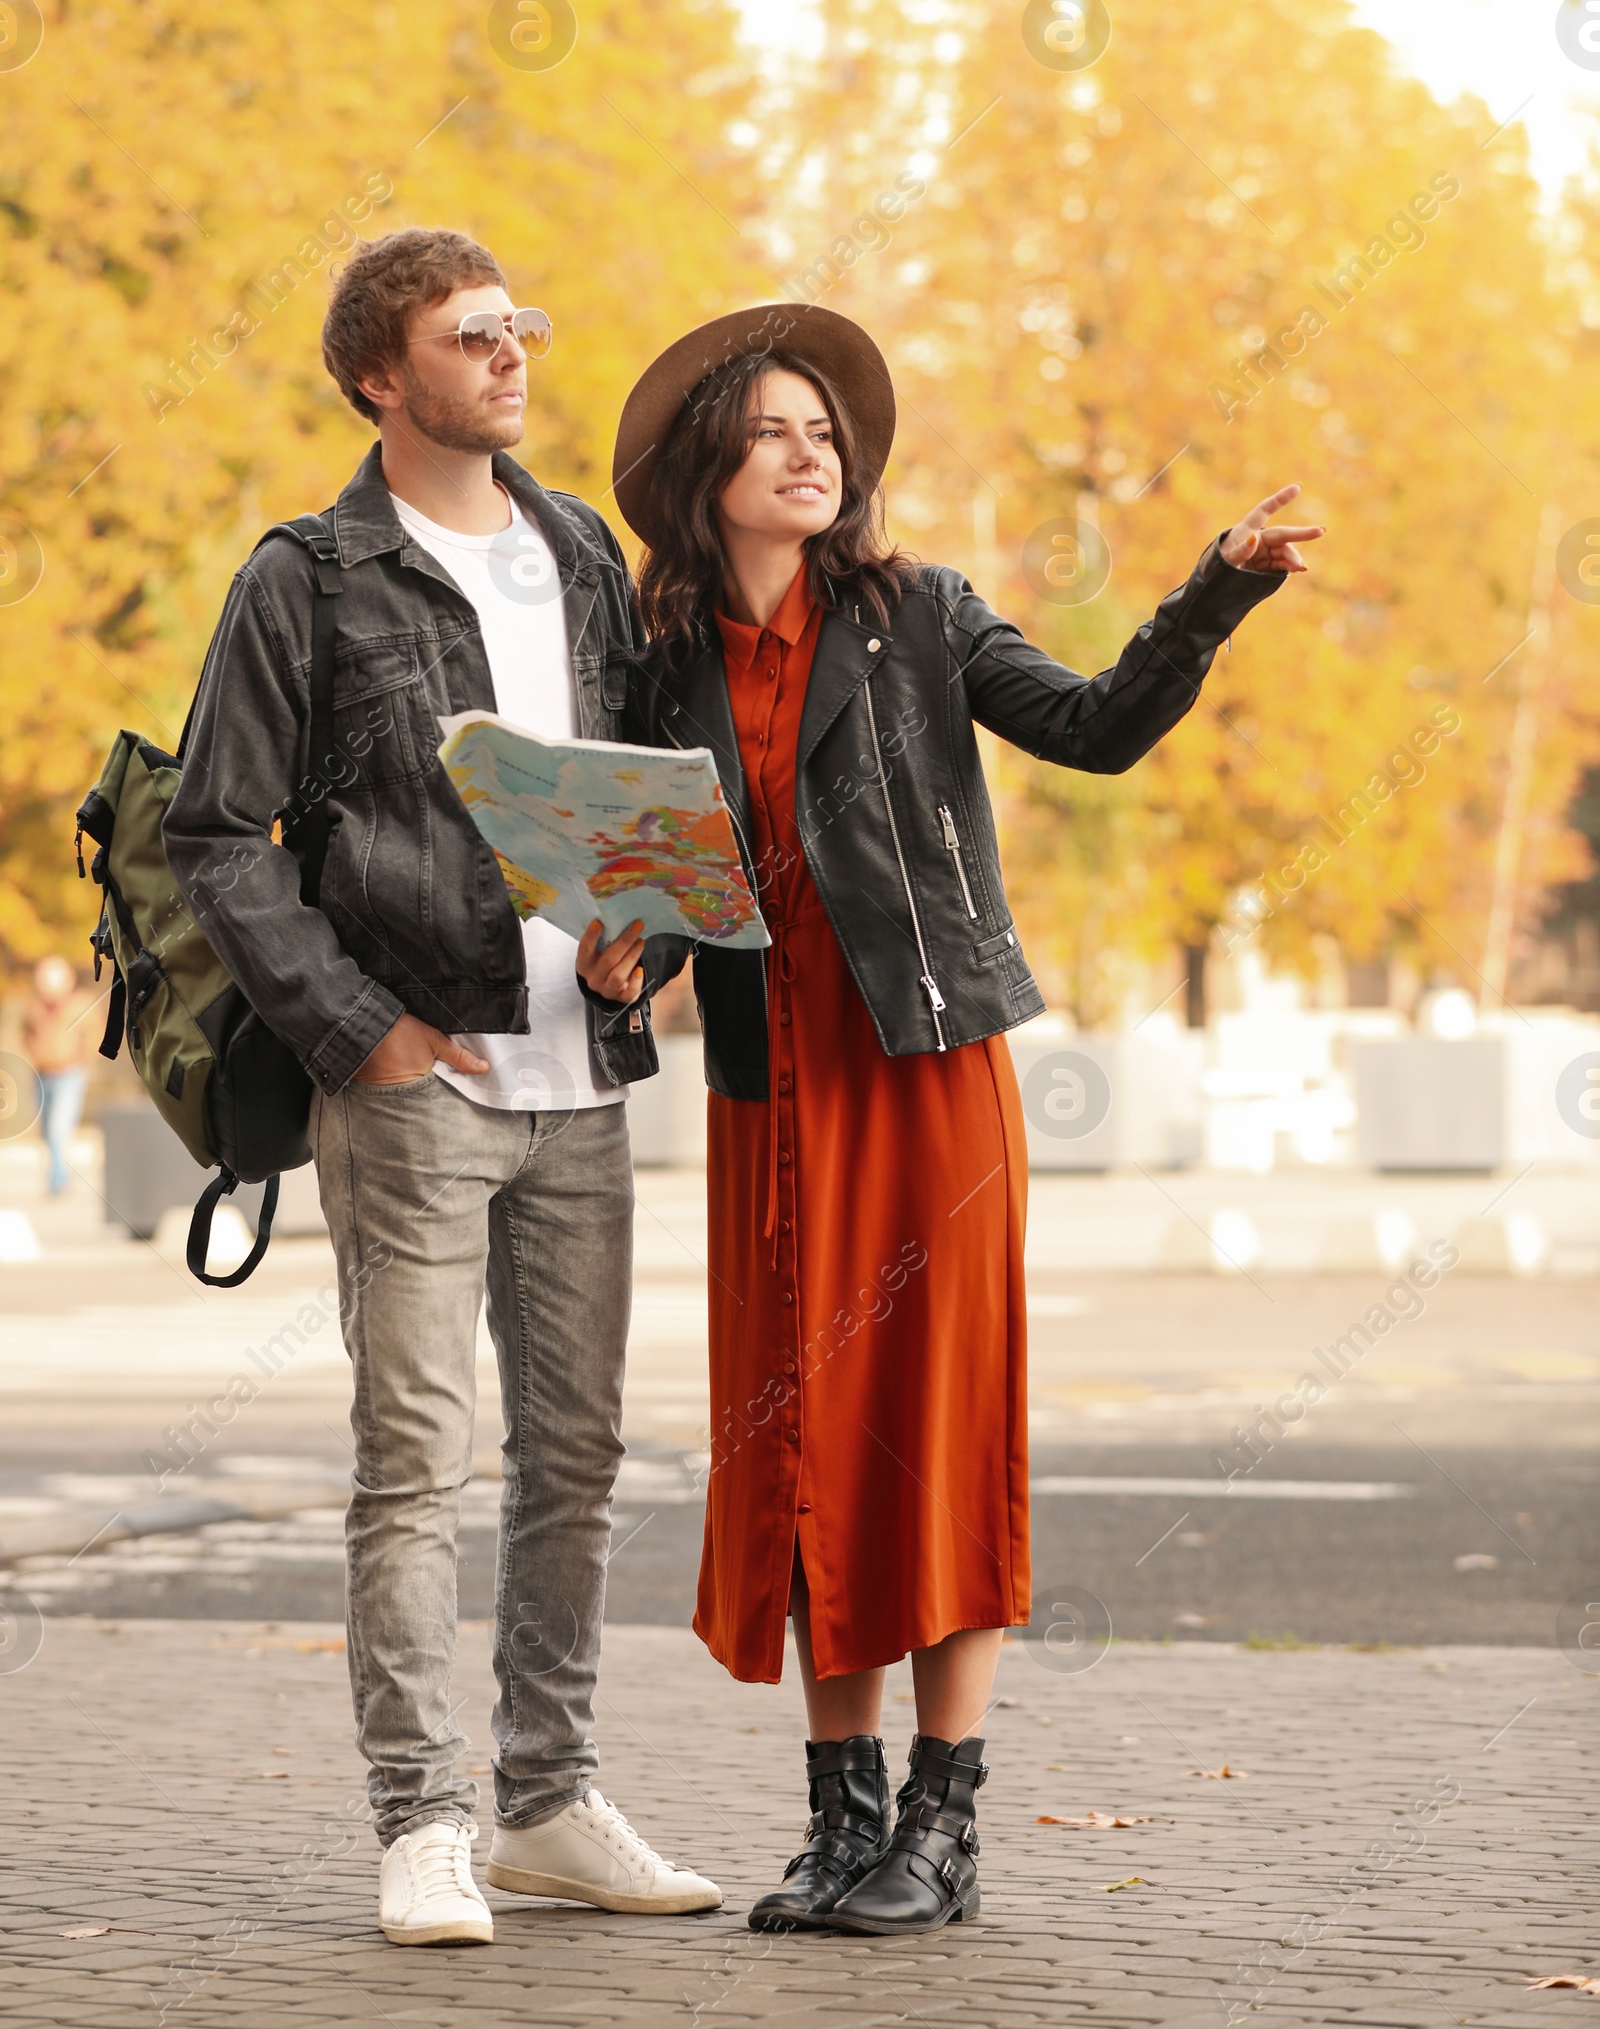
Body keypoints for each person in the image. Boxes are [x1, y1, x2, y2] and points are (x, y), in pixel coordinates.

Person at [614, 305, 1321, 1936]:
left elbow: (1096, 728)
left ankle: (943, 1827)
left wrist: (1211, 592)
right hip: (764, 1099)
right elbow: (660, 896)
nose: (814, 453)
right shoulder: (664, 665)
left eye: (826, 432)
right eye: (777, 430)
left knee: (931, 1435)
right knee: (798, 1451)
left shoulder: (917, 616)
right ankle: (842, 1820)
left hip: (923, 1082)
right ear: (712, 466)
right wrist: (616, 942)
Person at [164, 228, 721, 1945]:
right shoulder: (308, 575)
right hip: (412, 1088)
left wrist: (650, 939)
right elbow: (212, 832)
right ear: (378, 378)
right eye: (472, 337)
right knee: (414, 1464)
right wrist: (361, 1029)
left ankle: (548, 1799)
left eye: (517, 327)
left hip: (585, 1081)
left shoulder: (578, 550)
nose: (511, 355)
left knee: (578, 1457)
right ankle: (425, 1821)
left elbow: (628, 806)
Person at [21, 957, 98, 1196]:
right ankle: (57, 1172)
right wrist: (36, 1054)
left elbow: (94, 1034)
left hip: (70, 1074)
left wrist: (80, 1058)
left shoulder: (81, 1004)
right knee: (45, 1130)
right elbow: (26, 1033)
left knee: (58, 1127)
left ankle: (58, 1178)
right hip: (43, 1074)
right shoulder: (34, 1007)